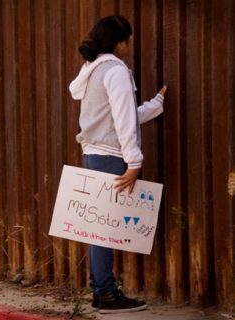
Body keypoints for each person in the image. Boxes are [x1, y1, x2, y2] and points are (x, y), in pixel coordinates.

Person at [68, 15, 167, 314]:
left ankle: (102, 292)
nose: (130, 46)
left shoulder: (93, 70)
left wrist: (154, 106)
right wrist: (134, 162)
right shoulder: (117, 71)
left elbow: (117, 116)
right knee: (102, 231)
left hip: (93, 155)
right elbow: (123, 120)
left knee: (95, 228)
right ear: (120, 42)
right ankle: (106, 294)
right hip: (111, 157)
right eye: (129, 40)